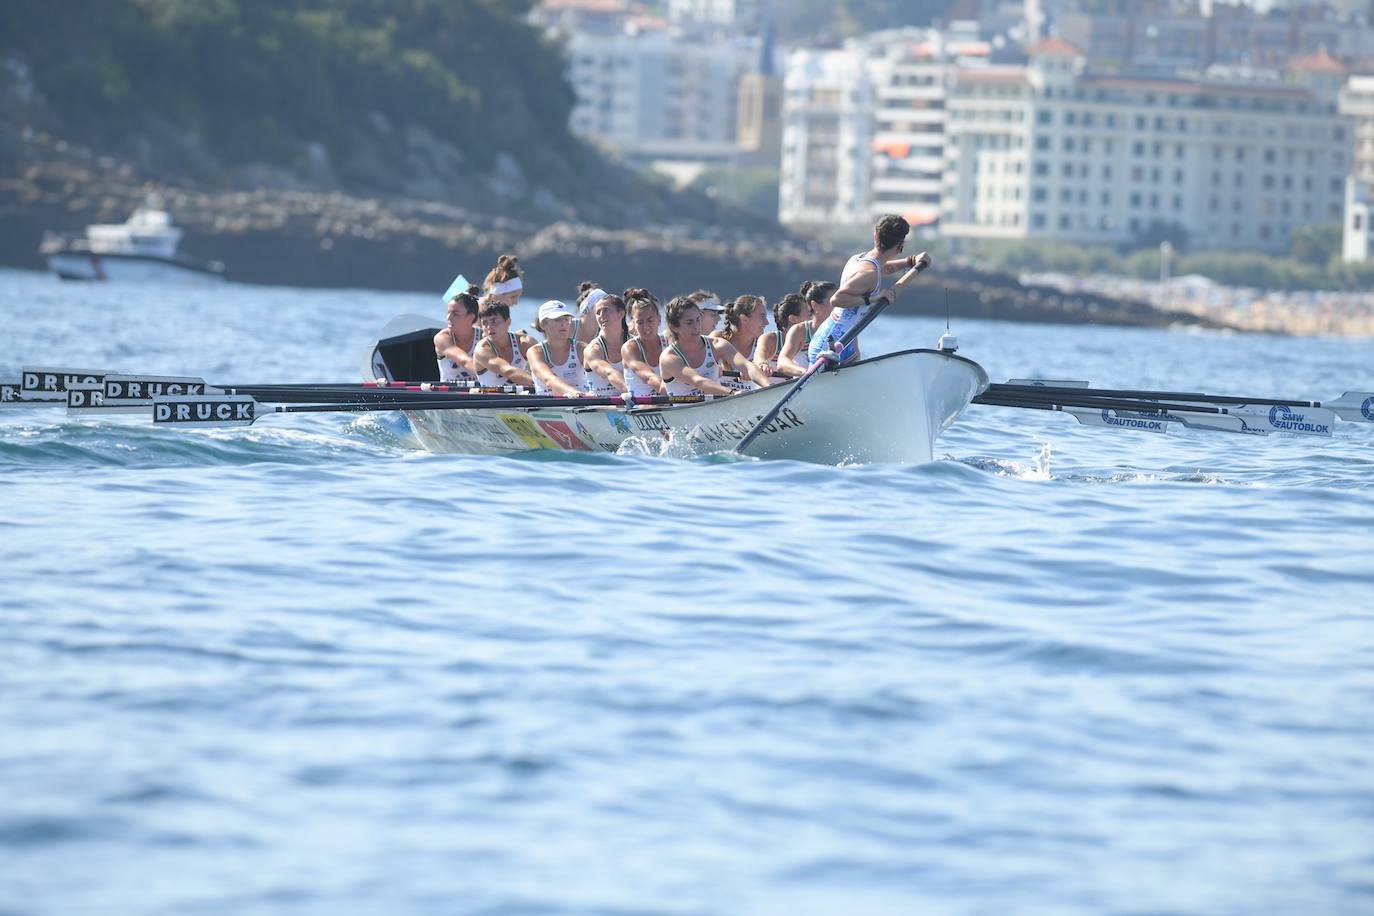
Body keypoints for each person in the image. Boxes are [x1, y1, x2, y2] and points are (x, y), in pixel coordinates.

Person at [808, 215, 930, 366]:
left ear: (875, 236)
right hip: (829, 347)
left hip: (843, 342)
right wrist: (871, 299)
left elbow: (884, 268)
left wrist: (910, 261)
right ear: (900, 245)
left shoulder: (861, 260)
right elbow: (836, 299)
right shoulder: (869, 273)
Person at [660, 296, 772, 397]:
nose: (696, 326)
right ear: (674, 327)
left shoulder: (717, 345)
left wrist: (769, 387)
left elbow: (747, 367)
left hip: (717, 411)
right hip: (686, 414)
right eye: (689, 322)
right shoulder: (669, 357)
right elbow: (699, 381)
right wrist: (732, 393)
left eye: (698, 320)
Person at [777, 280, 837, 377]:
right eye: (833, 301)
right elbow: (782, 362)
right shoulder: (799, 331)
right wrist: (807, 373)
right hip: (806, 387)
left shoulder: (844, 327)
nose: (839, 304)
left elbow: (855, 359)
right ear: (815, 305)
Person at [526, 300, 586, 397]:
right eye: (557, 320)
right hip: (548, 407)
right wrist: (573, 392)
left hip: (582, 404)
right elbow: (549, 379)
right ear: (543, 325)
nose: (563, 324)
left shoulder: (582, 349)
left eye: (566, 319)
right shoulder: (535, 352)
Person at [472, 297, 534, 389]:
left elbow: (546, 367)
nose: (489, 327)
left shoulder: (524, 342)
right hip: (490, 402)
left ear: (508, 322)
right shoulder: (482, 349)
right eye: (485, 323)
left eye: (494, 321)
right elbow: (509, 372)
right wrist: (546, 383)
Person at [712, 295, 771, 390]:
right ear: (744, 319)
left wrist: (760, 366)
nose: (767, 322)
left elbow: (762, 359)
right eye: (762, 316)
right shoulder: (717, 338)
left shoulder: (763, 343)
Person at [620, 291, 667, 397]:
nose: (646, 327)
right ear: (633, 323)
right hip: (640, 407)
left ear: (659, 319)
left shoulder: (669, 343)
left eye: (650, 320)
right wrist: (674, 391)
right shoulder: (630, 348)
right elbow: (649, 377)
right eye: (640, 322)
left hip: (667, 404)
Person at [582, 293, 629, 395]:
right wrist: (632, 392)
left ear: (621, 313)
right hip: (602, 407)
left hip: (631, 404)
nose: (602, 316)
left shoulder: (634, 343)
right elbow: (610, 373)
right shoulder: (593, 349)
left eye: (606, 310)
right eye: (598, 313)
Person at [433, 288, 480, 384]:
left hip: (477, 394)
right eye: (448, 312)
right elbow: (464, 361)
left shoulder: (483, 337)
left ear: (471, 317)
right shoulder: (442, 338)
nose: (448, 317)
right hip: (449, 395)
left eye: (455, 314)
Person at [753, 292, 805, 375]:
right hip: (769, 386)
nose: (813, 317)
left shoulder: (814, 339)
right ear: (793, 319)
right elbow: (759, 356)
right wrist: (762, 364)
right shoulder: (770, 339)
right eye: (809, 313)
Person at [575, 283, 609, 348]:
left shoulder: (605, 333)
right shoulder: (569, 327)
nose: (604, 311)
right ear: (588, 308)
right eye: (600, 306)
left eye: (606, 308)